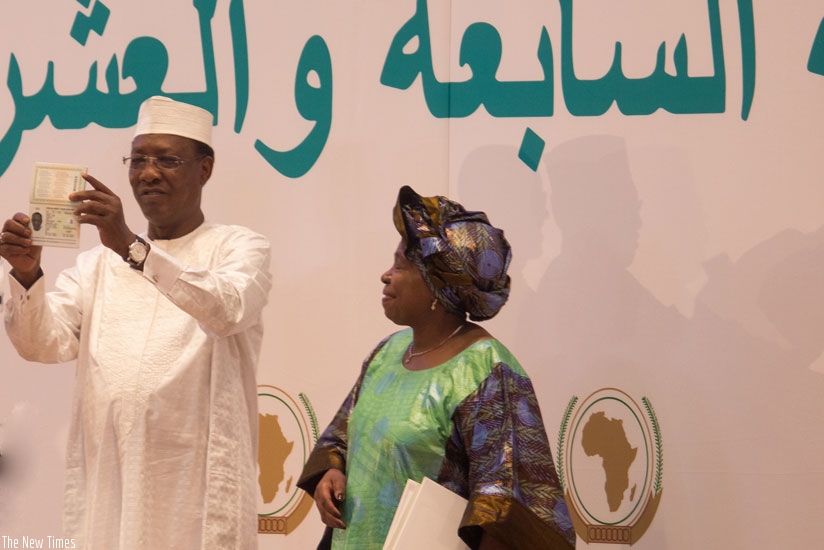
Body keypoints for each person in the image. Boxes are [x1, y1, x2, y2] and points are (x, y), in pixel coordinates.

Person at [0, 96, 272, 549]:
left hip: (196, 496)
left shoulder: (239, 248)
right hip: (110, 490)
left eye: (167, 159)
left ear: (204, 169)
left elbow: (227, 309)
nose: (147, 173)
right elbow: (41, 345)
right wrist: (28, 276)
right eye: (139, 159)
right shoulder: (95, 267)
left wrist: (132, 247)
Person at [298, 186, 575, 550]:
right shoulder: (388, 352)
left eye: (400, 265)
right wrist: (332, 471)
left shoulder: (487, 370)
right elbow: (343, 437)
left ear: (437, 286)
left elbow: (504, 503)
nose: (386, 275)